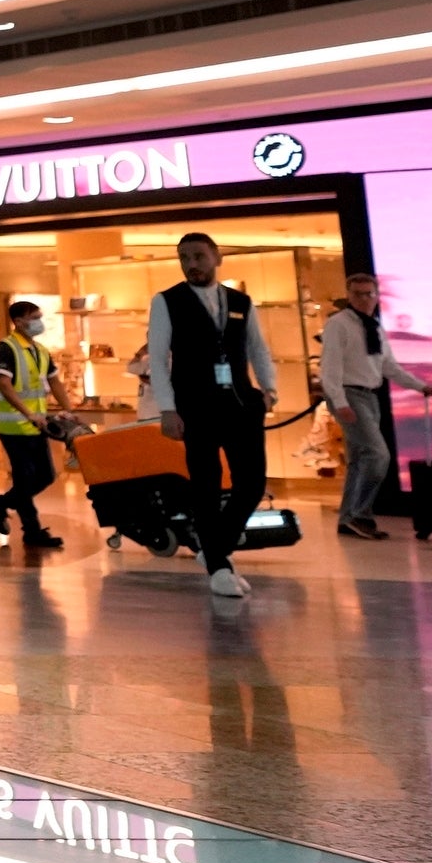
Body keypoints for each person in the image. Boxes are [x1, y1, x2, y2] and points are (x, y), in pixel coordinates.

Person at [135, 230, 279, 600]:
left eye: (198, 256)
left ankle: (214, 548)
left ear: (217, 258)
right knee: (207, 483)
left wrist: (269, 388)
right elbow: (158, 359)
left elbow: (257, 348)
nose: (192, 264)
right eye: (184, 258)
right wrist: (167, 408)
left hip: (242, 404)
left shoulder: (240, 302)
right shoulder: (167, 301)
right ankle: (218, 565)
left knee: (252, 483)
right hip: (195, 405)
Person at [321, 271, 432, 542]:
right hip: (349, 393)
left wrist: (420, 386)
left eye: (369, 293)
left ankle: (347, 519)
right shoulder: (338, 324)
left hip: (369, 395)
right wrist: (340, 402)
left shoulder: (374, 326)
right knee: (378, 455)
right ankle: (360, 515)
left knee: (359, 460)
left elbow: (388, 365)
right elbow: (329, 367)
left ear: (377, 296)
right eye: (358, 294)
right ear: (349, 296)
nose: (365, 299)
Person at [0, 298, 71, 553]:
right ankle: (32, 531)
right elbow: (3, 383)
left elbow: (55, 382)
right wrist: (27, 412)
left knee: (45, 475)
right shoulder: (5, 349)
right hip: (13, 427)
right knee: (26, 478)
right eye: (34, 317)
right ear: (19, 321)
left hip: (36, 425)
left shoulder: (40, 351)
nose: (39, 322)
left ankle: (0, 503)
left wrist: (68, 409)